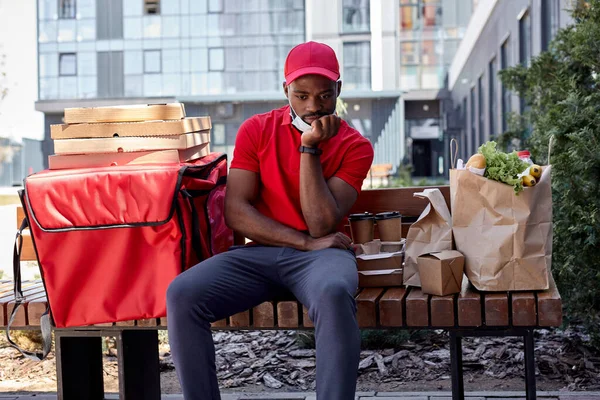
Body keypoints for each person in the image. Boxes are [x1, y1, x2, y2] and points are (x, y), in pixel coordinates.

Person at [166, 41, 374, 400]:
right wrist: (304, 242)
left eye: (324, 96)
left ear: (338, 90)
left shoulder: (356, 146)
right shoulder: (256, 130)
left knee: (334, 292)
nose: (312, 107)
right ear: (286, 91)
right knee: (182, 293)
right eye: (302, 95)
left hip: (323, 258)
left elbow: (321, 224)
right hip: (264, 253)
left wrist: (309, 148)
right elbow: (237, 213)